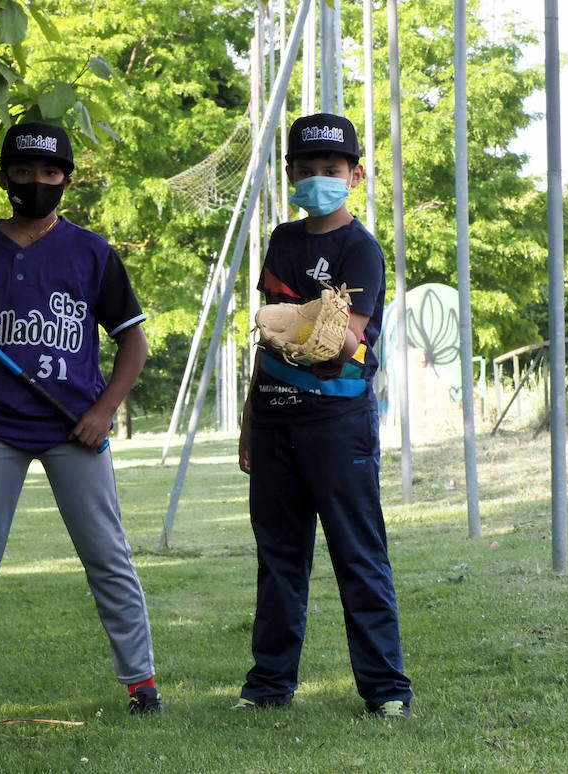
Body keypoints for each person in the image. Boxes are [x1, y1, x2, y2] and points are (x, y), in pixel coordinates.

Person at [0, 121, 161, 720]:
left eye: (49, 173)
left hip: (72, 424)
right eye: (22, 172)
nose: (35, 183)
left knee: (107, 554)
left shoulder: (93, 254)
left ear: (66, 180)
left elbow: (134, 346)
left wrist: (103, 411)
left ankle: (142, 686)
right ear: (4, 177)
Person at [235, 113, 412, 718]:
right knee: (279, 560)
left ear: (355, 175)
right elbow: (270, 336)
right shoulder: (283, 241)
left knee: (358, 556)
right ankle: (268, 689)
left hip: (339, 426)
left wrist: (296, 321)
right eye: (305, 171)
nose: (318, 181)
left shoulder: (361, 249)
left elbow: (341, 345)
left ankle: (386, 691)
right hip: (277, 417)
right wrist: (250, 421)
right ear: (289, 175)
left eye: (331, 171)